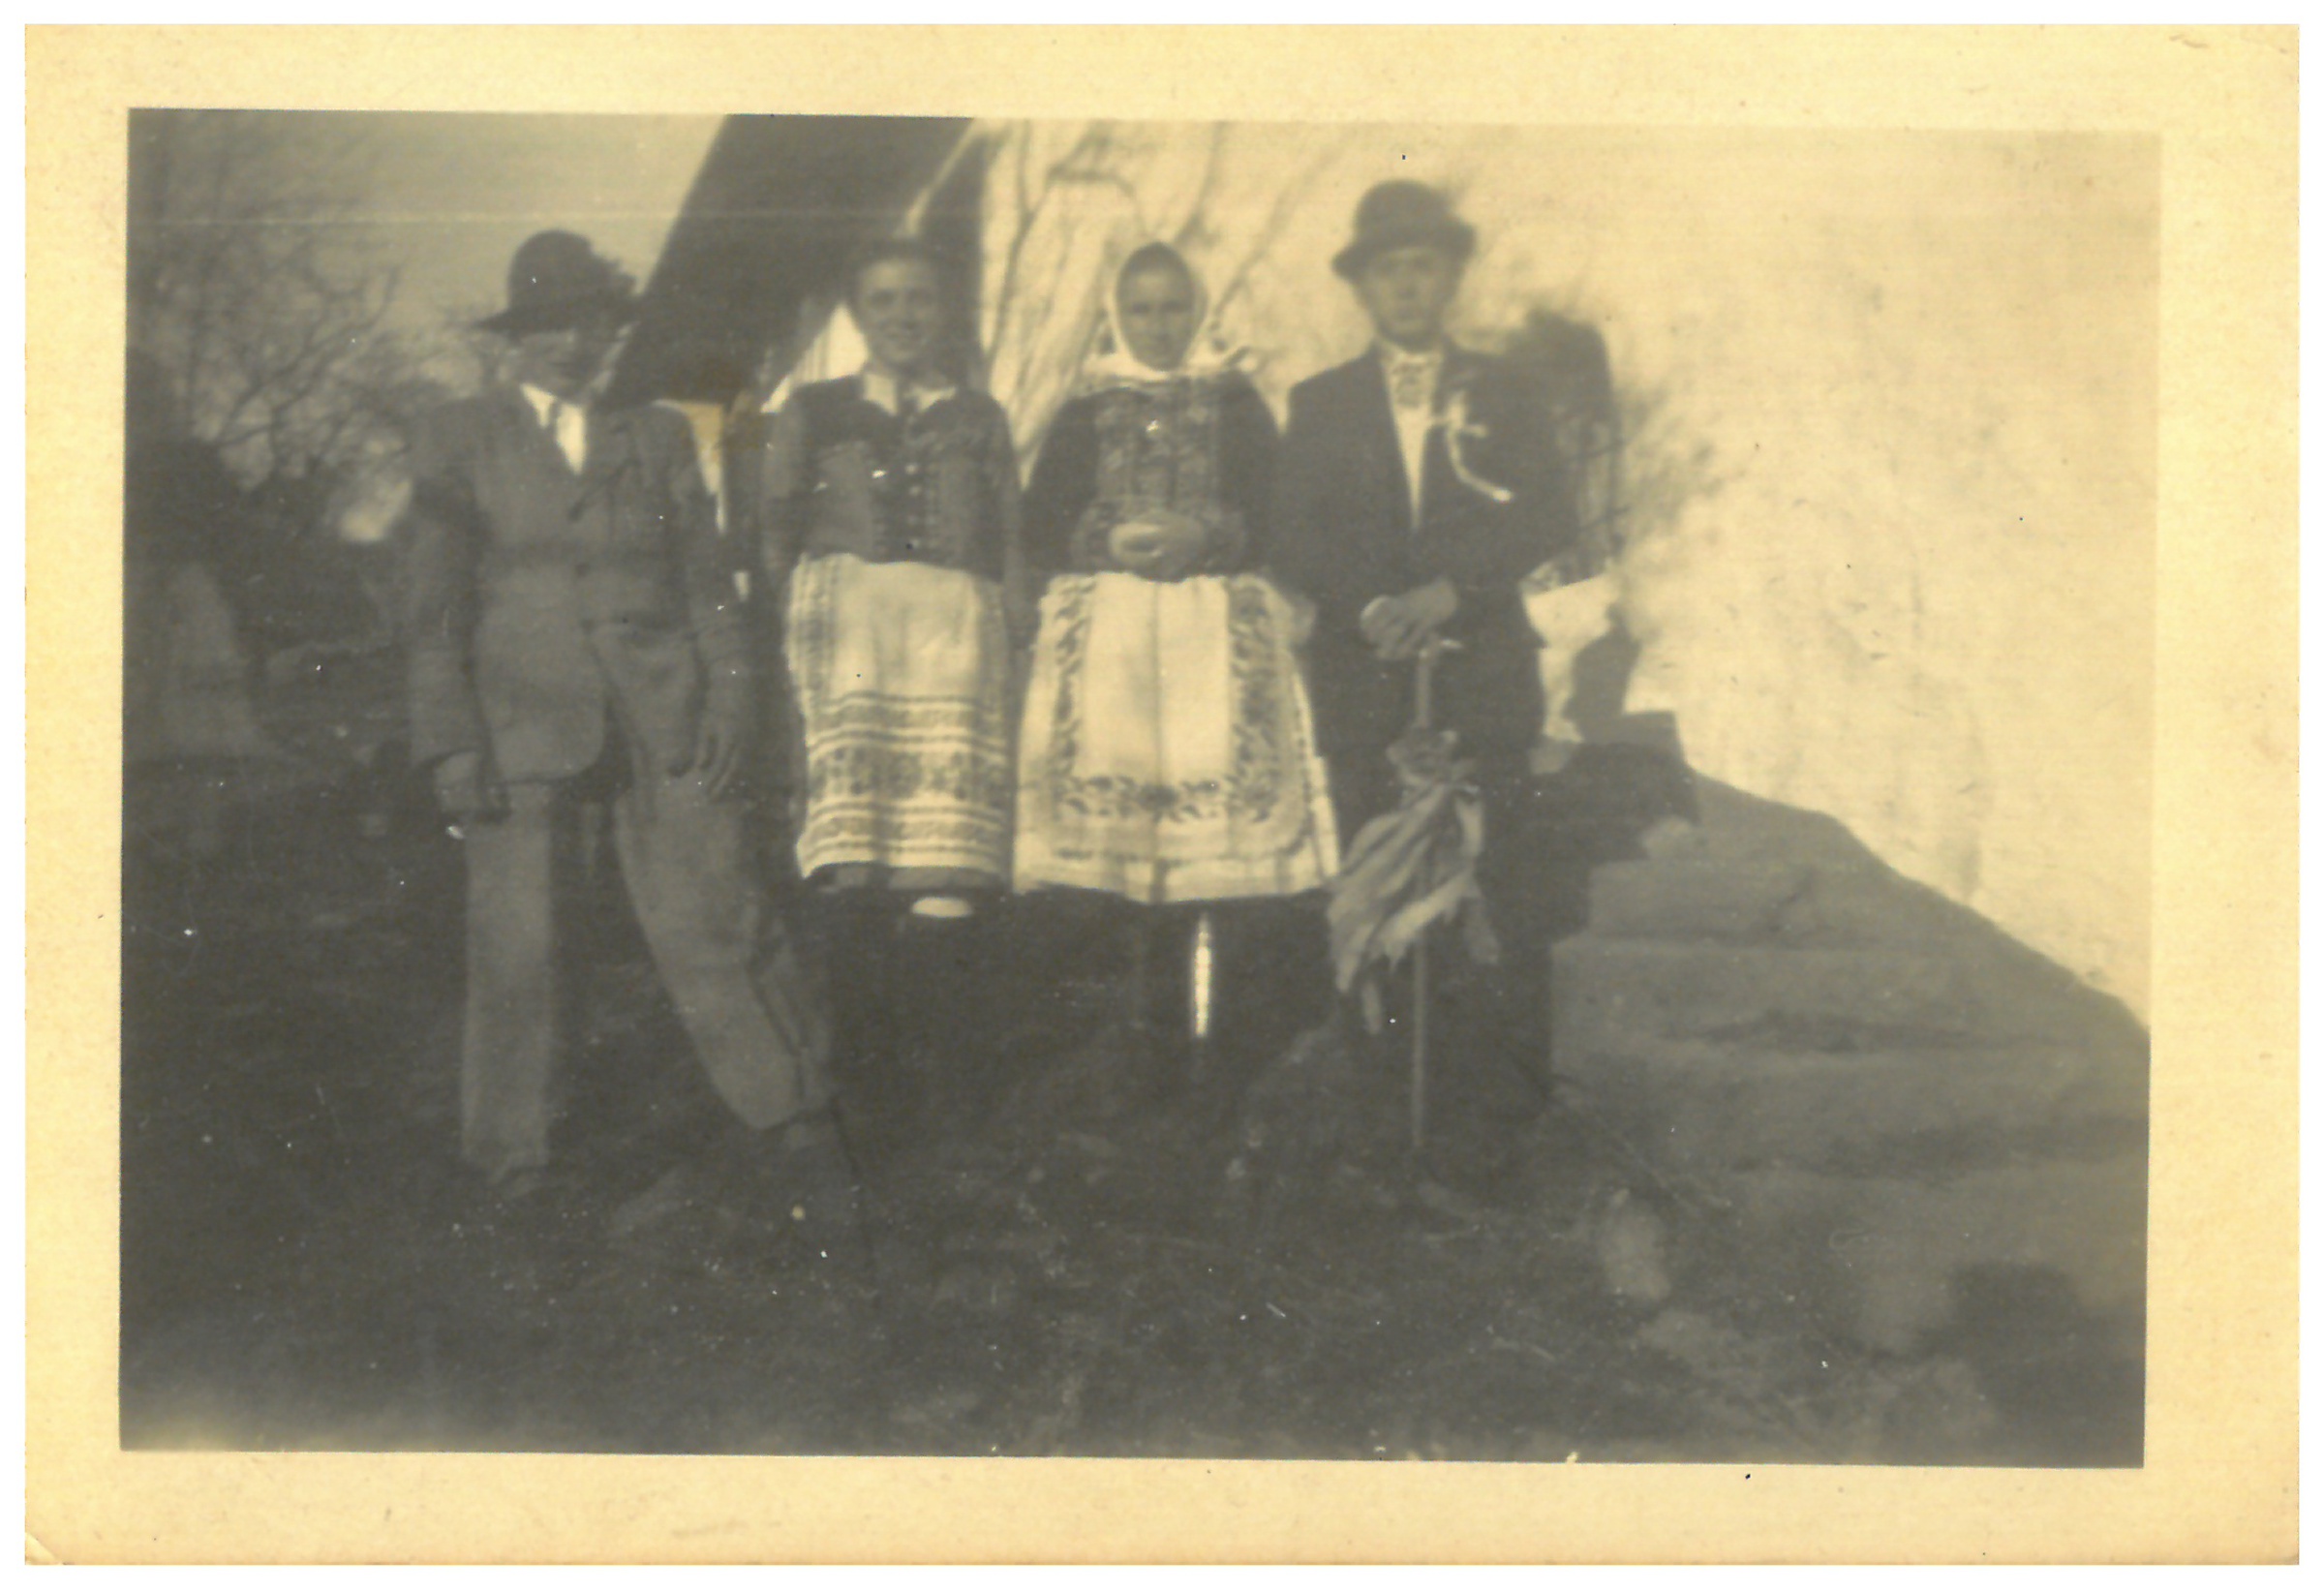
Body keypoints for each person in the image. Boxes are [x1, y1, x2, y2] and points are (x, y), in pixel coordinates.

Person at [401, 229, 854, 1246]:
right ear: (517, 338)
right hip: (521, 719)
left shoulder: (652, 437)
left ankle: (797, 1118)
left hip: (665, 712)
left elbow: (707, 589)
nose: (573, 343)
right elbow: (433, 608)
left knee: (720, 910)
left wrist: (731, 705)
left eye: (590, 322)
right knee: (520, 943)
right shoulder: (458, 437)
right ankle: (513, 1160)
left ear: (610, 330)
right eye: (550, 325)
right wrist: (452, 743)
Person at [1271, 183, 1581, 1071]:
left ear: (1451, 279)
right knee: (1374, 876)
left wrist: (1455, 590)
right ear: (1362, 288)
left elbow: (1549, 514)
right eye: (1387, 271)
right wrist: (1370, 605)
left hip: (1481, 670)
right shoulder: (1322, 401)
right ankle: (1376, 1092)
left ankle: (1483, 1097)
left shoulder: (1507, 391)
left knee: (1486, 879)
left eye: (1423, 268)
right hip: (1365, 673)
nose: (1406, 287)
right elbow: (1293, 531)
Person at [1015, 240, 1338, 1071]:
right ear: (1118, 315)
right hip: (1117, 646)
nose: (1158, 326)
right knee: (1131, 861)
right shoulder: (1085, 409)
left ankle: (1228, 1059)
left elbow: (1282, 512)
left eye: (1172, 308)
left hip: (1213, 633)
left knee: (1221, 861)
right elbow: (1041, 523)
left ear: (1195, 312)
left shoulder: (1237, 404)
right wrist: (1107, 537)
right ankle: (1143, 1054)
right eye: (1141, 310)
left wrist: (1208, 534)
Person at [754, 239, 1030, 1155]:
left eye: (919, 298)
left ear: (943, 310)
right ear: (858, 314)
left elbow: (1011, 541)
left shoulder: (980, 416)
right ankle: (864, 1088)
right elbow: (774, 534)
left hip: (953, 640)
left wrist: (1017, 633)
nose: (904, 316)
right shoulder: (816, 409)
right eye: (883, 300)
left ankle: (948, 1091)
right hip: (852, 639)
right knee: (856, 857)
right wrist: (786, 648)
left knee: (946, 863)